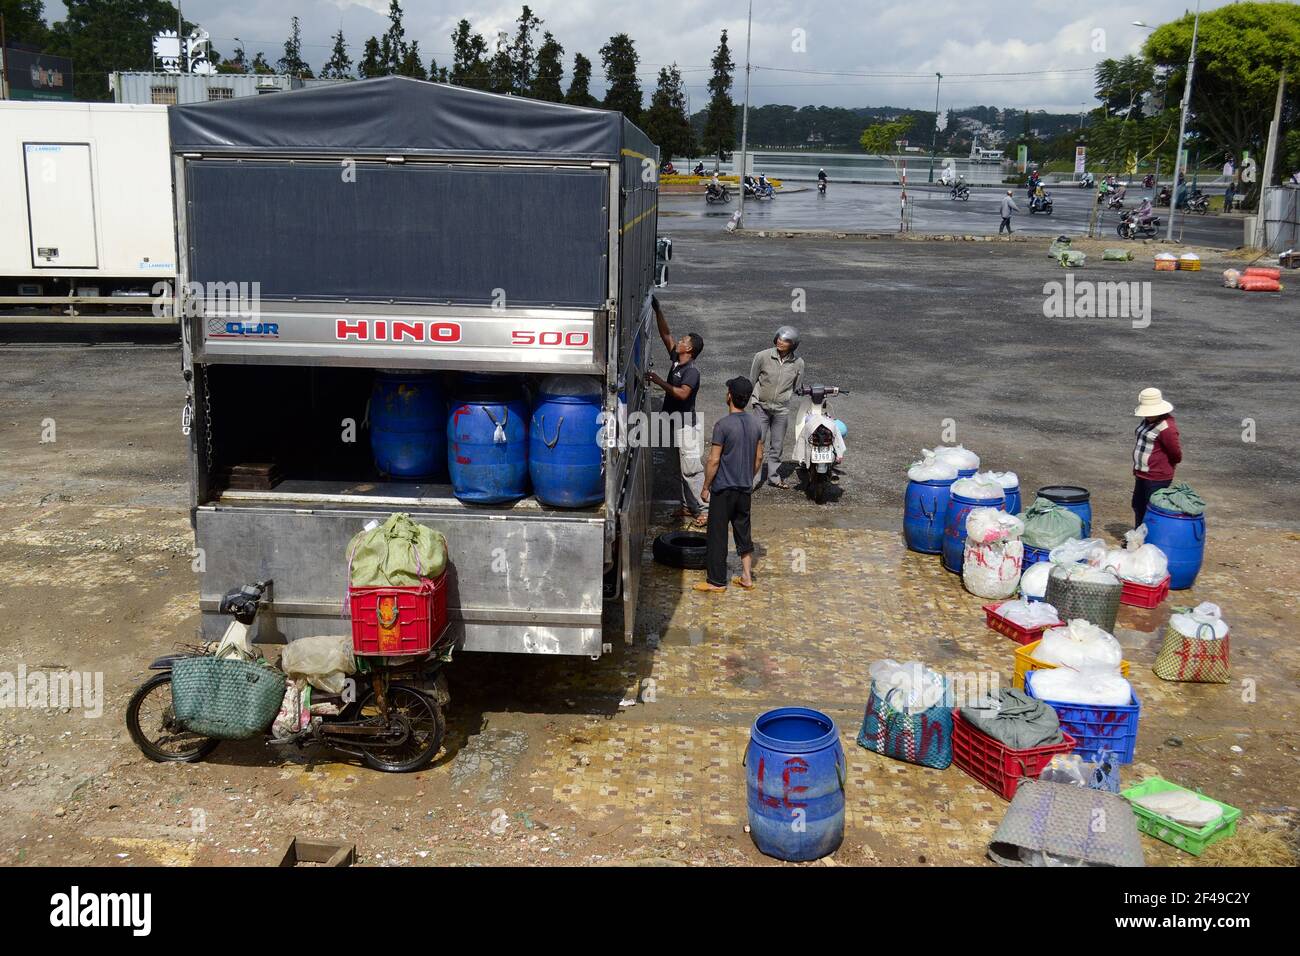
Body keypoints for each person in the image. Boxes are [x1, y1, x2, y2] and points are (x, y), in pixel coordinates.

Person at [694, 376, 764, 593]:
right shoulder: (756, 424)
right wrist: (747, 476)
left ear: (730, 396)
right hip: (744, 488)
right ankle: (746, 576)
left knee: (717, 535)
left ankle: (716, 581)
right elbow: (759, 458)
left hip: (723, 489)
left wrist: (706, 486)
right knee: (743, 532)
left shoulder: (722, 425)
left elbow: (714, 460)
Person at [647, 295, 707, 528]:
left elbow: (682, 394)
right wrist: (657, 311)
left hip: (686, 427)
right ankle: (686, 505)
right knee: (677, 467)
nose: (678, 341)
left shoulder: (691, 371)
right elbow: (665, 334)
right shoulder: (676, 360)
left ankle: (704, 510)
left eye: (683, 340)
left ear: (689, 348)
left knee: (691, 469)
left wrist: (659, 381)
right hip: (672, 422)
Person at [748, 326, 805, 488]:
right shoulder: (762, 356)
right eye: (779, 338)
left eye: (786, 340)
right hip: (761, 407)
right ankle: (753, 479)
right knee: (758, 442)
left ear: (793, 344)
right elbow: (752, 379)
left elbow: (797, 386)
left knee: (777, 445)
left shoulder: (798, 363)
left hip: (781, 410)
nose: (781, 342)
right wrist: (753, 400)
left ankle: (773, 477)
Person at [1132, 387, 1182, 528]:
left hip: (1157, 476)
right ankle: (1138, 534)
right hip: (1142, 473)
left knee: (1151, 508)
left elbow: (1175, 453)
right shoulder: (1147, 421)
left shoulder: (1167, 428)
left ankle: (1149, 538)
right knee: (1137, 505)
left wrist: (1162, 465)